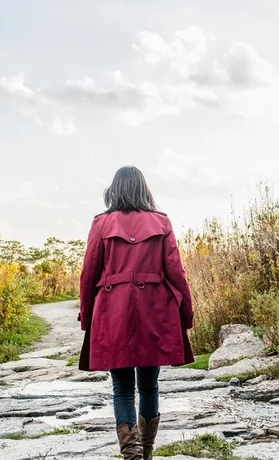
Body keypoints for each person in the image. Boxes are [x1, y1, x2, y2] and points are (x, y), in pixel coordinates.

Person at [78, 166, 195, 460]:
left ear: (113, 190)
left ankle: (131, 455)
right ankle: (146, 453)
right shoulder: (161, 221)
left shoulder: (101, 224)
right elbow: (176, 272)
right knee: (149, 383)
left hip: (111, 311)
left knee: (122, 388)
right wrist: (186, 312)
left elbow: (88, 274)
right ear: (145, 190)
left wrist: (87, 316)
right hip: (154, 310)